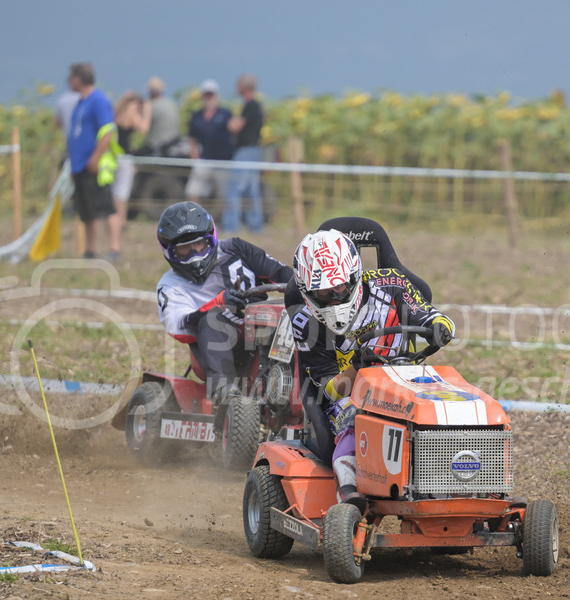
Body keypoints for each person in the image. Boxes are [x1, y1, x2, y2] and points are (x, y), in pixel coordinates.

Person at [286, 223, 455, 510]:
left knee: (444, 410)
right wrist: (356, 367)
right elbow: (329, 391)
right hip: (352, 398)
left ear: (354, 275)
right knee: (356, 417)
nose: (335, 297)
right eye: (324, 293)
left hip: (405, 382)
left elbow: (426, 313)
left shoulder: (392, 284)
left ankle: (462, 477)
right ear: (306, 291)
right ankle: (349, 492)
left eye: (339, 287)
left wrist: (439, 326)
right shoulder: (305, 323)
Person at [155, 201, 293, 408]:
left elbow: (281, 273)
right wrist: (219, 303)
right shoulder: (169, 285)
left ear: (211, 239)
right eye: (185, 249)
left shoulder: (236, 248)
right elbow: (178, 326)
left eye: (200, 244)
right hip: (220, 348)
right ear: (170, 252)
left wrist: (301, 287)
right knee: (213, 319)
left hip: (262, 330)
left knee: (294, 314)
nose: (195, 254)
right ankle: (226, 394)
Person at [66, 62, 122, 260]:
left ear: (78, 79)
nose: (68, 81)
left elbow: (108, 131)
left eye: (71, 77)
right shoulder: (80, 102)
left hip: (95, 166)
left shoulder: (98, 100)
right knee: (87, 210)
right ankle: (90, 250)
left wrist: (95, 158)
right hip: (79, 165)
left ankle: (114, 248)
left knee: (106, 206)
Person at [224, 74, 265, 233]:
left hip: (245, 152)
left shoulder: (250, 105)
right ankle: (256, 226)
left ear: (244, 87)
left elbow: (236, 127)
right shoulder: (257, 105)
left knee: (234, 188)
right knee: (252, 190)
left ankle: (230, 225)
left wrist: (229, 122)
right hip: (255, 151)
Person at [185, 79, 234, 212]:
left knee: (224, 193)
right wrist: (194, 156)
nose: (209, 98)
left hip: (222, 160)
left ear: (216, 96)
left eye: (211, 94)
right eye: (206, 95)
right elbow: (192, 138)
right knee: (192, 190)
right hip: (204, 158)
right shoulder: (197, 116)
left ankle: (225, 220)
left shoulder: (225, 114)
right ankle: (195, 217)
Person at [112, 91, 150, 229]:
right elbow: (144, 128)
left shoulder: (118, 113)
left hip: (113, 156)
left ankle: (114, 219)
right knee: (122, 192)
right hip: (124, 158)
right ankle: (121, 220)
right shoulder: (131, 113)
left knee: (115, 191)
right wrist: (147, 112)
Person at [142, 76, 181, 156]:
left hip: (157, 148)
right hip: (174, 145)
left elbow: (143, 128)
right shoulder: (171, 103)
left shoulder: (150, 105)